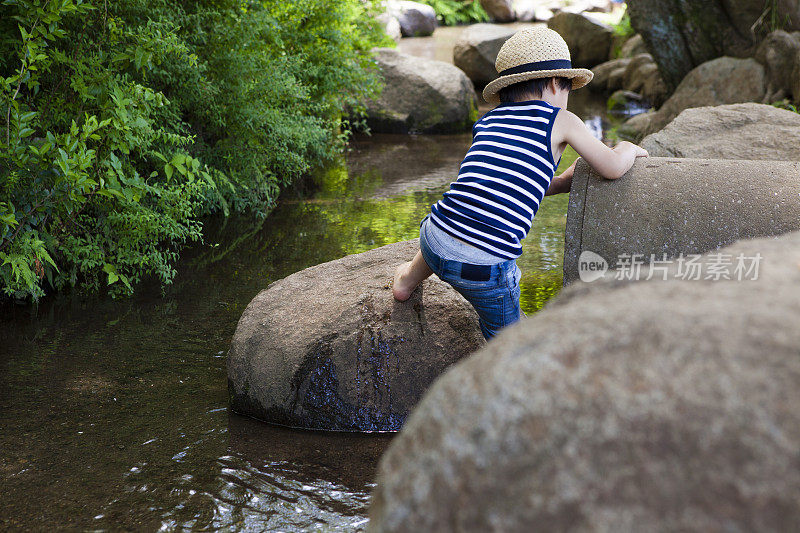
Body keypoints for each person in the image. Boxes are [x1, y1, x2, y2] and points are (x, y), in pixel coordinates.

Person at [392, 26, 649, 340]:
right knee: (511, 342)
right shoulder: (561, 120)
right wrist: (627, 148)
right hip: (484, 271)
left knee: (452, 225)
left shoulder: (488, 121)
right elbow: (611, 168)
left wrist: (559, 183)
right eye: (568, 89)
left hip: (434, 238)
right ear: (556, 83)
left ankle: (405, 281)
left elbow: (498, 183)